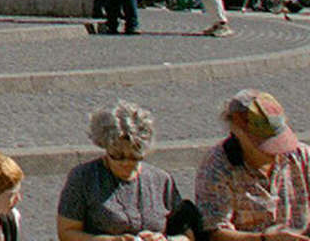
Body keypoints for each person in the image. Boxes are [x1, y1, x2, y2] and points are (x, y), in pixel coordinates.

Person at [56, 101, 200, 241]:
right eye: (117, 156)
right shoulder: (83, 178)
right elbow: (67, 232)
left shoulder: (161, 180)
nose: (126, 163)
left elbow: (187, 235)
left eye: (134, 157)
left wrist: (164, 239)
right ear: (105, 148)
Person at [194, 89, 310, 239]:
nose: (275, 152)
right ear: (238, 131)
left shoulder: (302, 156)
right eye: (264, 143)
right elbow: (215, 232)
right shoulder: (216, 167)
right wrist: (263, 239)